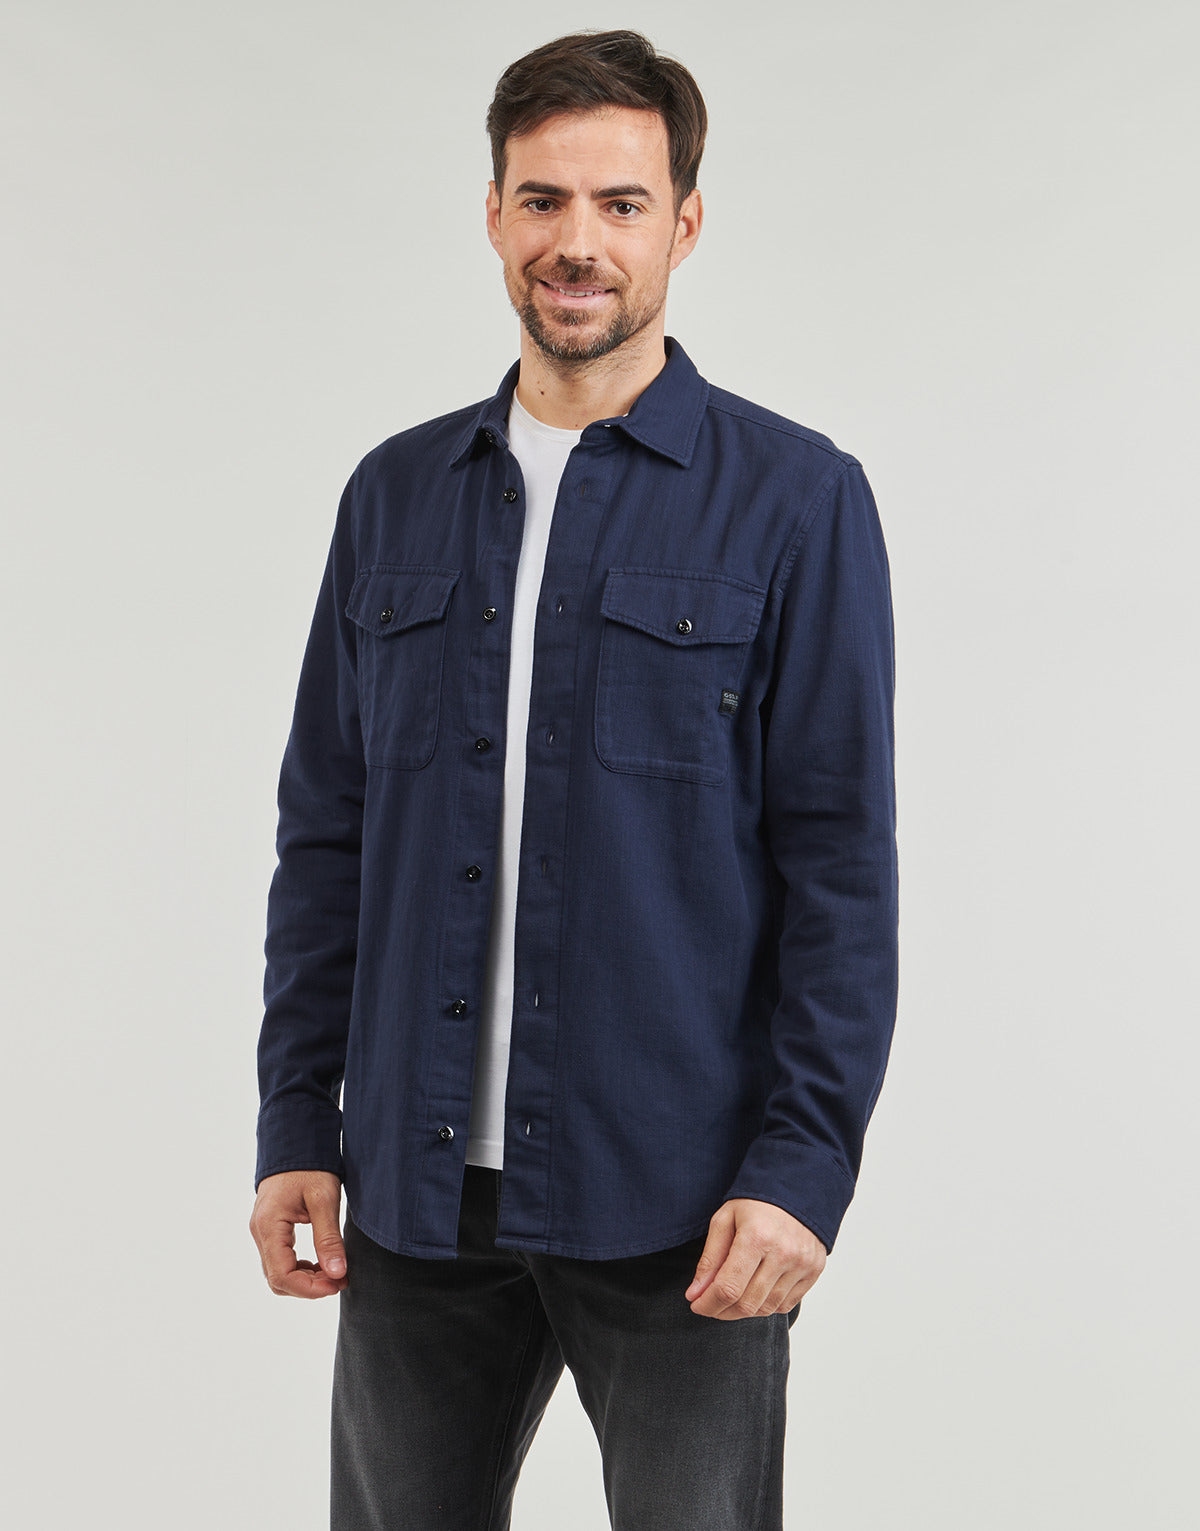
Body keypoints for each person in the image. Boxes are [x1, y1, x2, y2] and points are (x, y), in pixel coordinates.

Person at [249, 27, 899, 1531]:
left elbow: (842, 868)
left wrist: (804, 1169)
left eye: (621, 203)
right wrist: (295, 1123)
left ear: (685, 223)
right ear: (493, 215)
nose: (577, 242)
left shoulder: (797, 501)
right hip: (414, 1199)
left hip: (682, 1201)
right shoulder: (394, 494)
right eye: (543, 200)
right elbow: (327, 836)